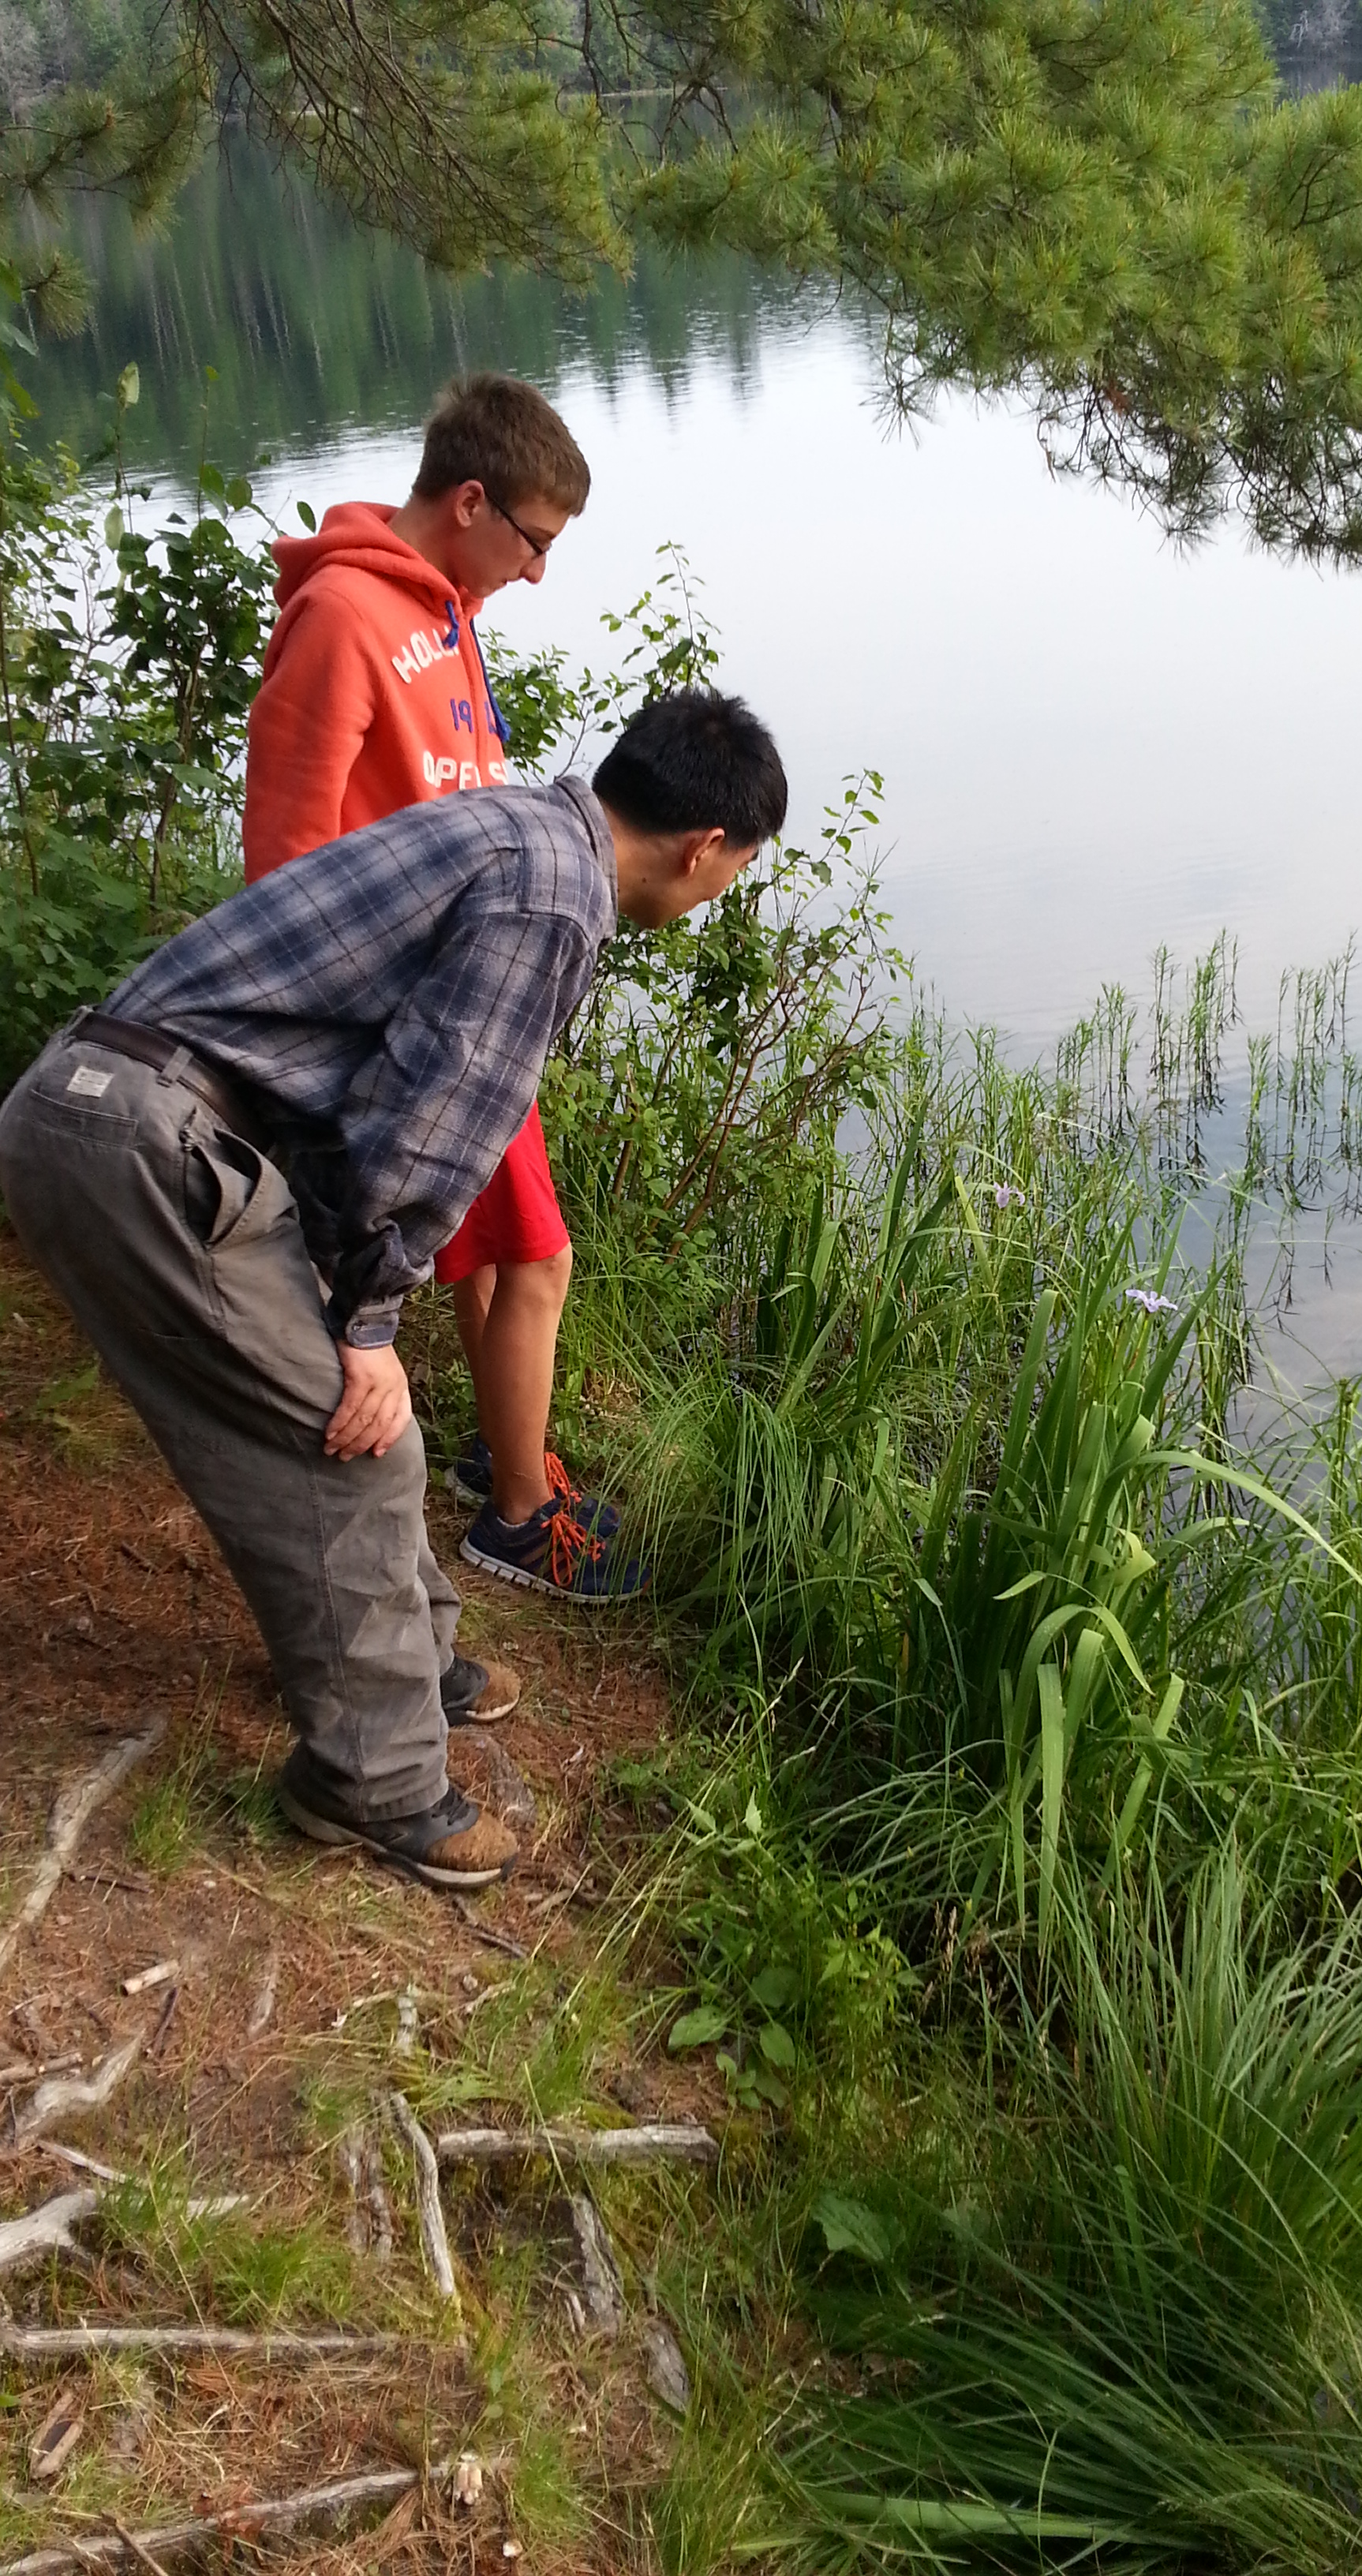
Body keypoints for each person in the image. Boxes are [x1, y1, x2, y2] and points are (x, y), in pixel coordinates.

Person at [0, 691, 788, 1891]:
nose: (721, 891)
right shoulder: (555, 897)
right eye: (737, 872)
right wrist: (367, 1324)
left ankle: (417, 1666)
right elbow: (427, 1120)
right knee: (354, 1442)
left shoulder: (521, 827)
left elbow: (360, 1086)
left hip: (113, 1113)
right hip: (144, 1145)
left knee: (362, 1430)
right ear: (706, 848)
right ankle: (373, 1782)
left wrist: (346, 1293)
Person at [243, 371, 623, 1598]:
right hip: (410, 1019)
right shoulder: (342, 616)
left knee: (495, 1254)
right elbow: (284, 867)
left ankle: (500, 1461)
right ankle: (518, 1518)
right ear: (470, 502)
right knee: (539, 1260)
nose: (540, 573)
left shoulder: (451, 612)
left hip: (473, 986)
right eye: (535, 541)